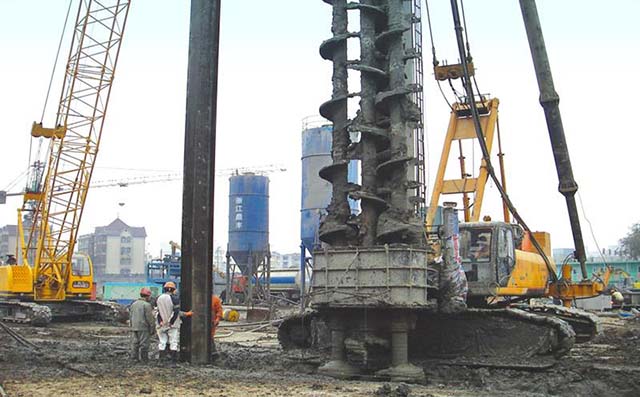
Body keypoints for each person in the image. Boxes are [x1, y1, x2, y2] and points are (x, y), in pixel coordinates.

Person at [156, 281, 192, 363]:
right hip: (172, 325)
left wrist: (160, 321)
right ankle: (173, 362)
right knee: (173, 342)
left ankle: (160, 361)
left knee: (162, 342)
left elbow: (157, 312)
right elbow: (176, 312)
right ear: (173, 289)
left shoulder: (159, 298)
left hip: (161, 325)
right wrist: (171, 322)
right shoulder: (174, 299)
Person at [129, 287, 155, 362]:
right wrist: (152, 328)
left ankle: (134, 358)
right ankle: (144, 359)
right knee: (144, 344)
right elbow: (150, 318)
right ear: (148, 296)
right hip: (143, 327)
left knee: (135, 343)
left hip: (134, 327)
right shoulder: (147, 305)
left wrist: (131, 325)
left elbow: (130, 316)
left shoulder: (133, 304)